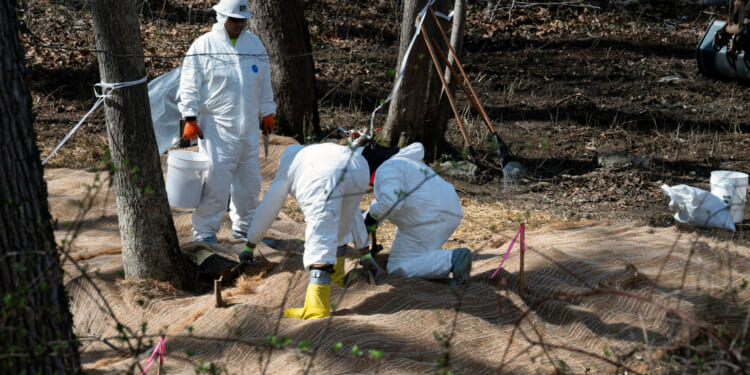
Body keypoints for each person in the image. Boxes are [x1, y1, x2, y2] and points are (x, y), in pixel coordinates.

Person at [239, 142, 381, 320]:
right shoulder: (313, 153)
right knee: (343, 219)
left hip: (323, 175)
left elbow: (269, 207)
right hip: (359, 166)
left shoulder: (291, 164)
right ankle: (336, 279)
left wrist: (250, 244)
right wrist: (365, 252)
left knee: (321, 232)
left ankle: (316, 306)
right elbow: (353, 214)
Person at [178, 0, 276, 244]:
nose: (239, 25)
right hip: (216, 130)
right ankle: (204, 234)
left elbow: (264, 82)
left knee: (250, 185)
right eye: (234, 20)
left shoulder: (254, 44)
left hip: (249, 130)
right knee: (215, 185)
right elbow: (188, 83)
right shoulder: (204, 46)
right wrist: (189, 117)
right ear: (221, 17)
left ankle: (245, 230)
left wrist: (267, 112)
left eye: (242, 20)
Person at [364, 142, 471, 286]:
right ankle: (446, 261)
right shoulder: (399, 164)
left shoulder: (387, 169)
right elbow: (383, 203)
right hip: (442, 212)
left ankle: (452, 259)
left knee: (398, 266)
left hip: (428, 219)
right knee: (419, 257)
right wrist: (366, 221)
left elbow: (391, 202)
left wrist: (370, 219)